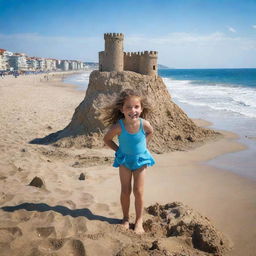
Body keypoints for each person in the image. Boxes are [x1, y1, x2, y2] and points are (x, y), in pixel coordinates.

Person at [103, 89, 155, 234]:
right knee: (125, 191)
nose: (133, 110)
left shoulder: (144, 124)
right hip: (125, 161)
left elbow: (151, 132)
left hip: (141, 160)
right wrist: (118, 150)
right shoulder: (119, 126)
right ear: (122, 110)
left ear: (141, 108)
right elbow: (107, 139)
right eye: (128, 107)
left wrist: (144, 145)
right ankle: (125, 218)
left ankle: (139, 220)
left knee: (138, 191)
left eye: (136, 107)